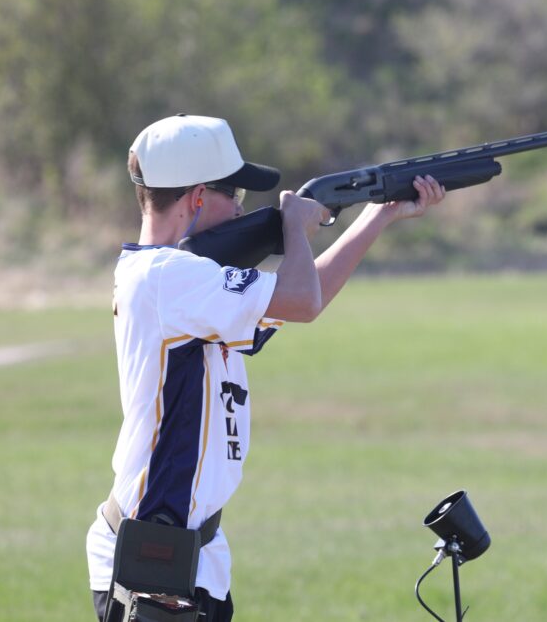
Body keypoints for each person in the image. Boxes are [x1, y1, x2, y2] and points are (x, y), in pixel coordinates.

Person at [85, 114, 445, 621]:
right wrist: (295, 227)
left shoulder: (182, 280)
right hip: (153, 565)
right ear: (196, 197)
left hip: (190, 555)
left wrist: (377, 216)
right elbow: (302, 299)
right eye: (233, 193)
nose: (241, 208)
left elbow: (306, 293)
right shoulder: (167, 276)